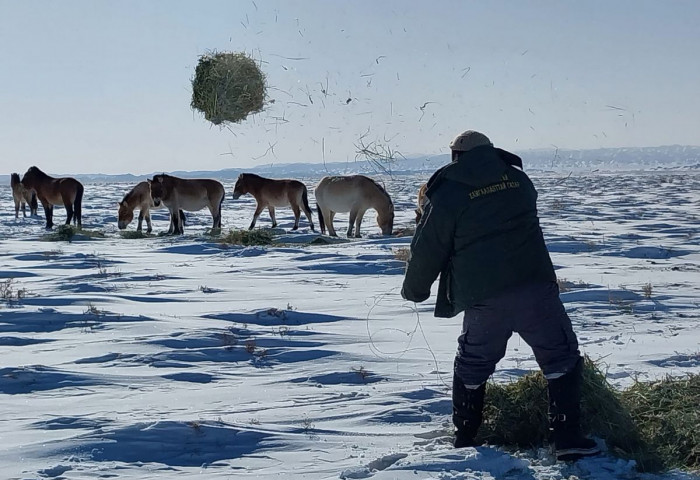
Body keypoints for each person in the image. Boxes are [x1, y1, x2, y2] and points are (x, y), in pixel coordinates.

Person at [401, 130, 600, 461]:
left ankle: (465, 437)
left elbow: (428, 248)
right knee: (560, 356)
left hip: (484, 295)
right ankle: (567, 438)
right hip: (535, 286)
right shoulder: (519, 180)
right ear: (490, 151)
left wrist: (415, 289)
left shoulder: (446, 192)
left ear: (456, 156)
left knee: (473, 362)